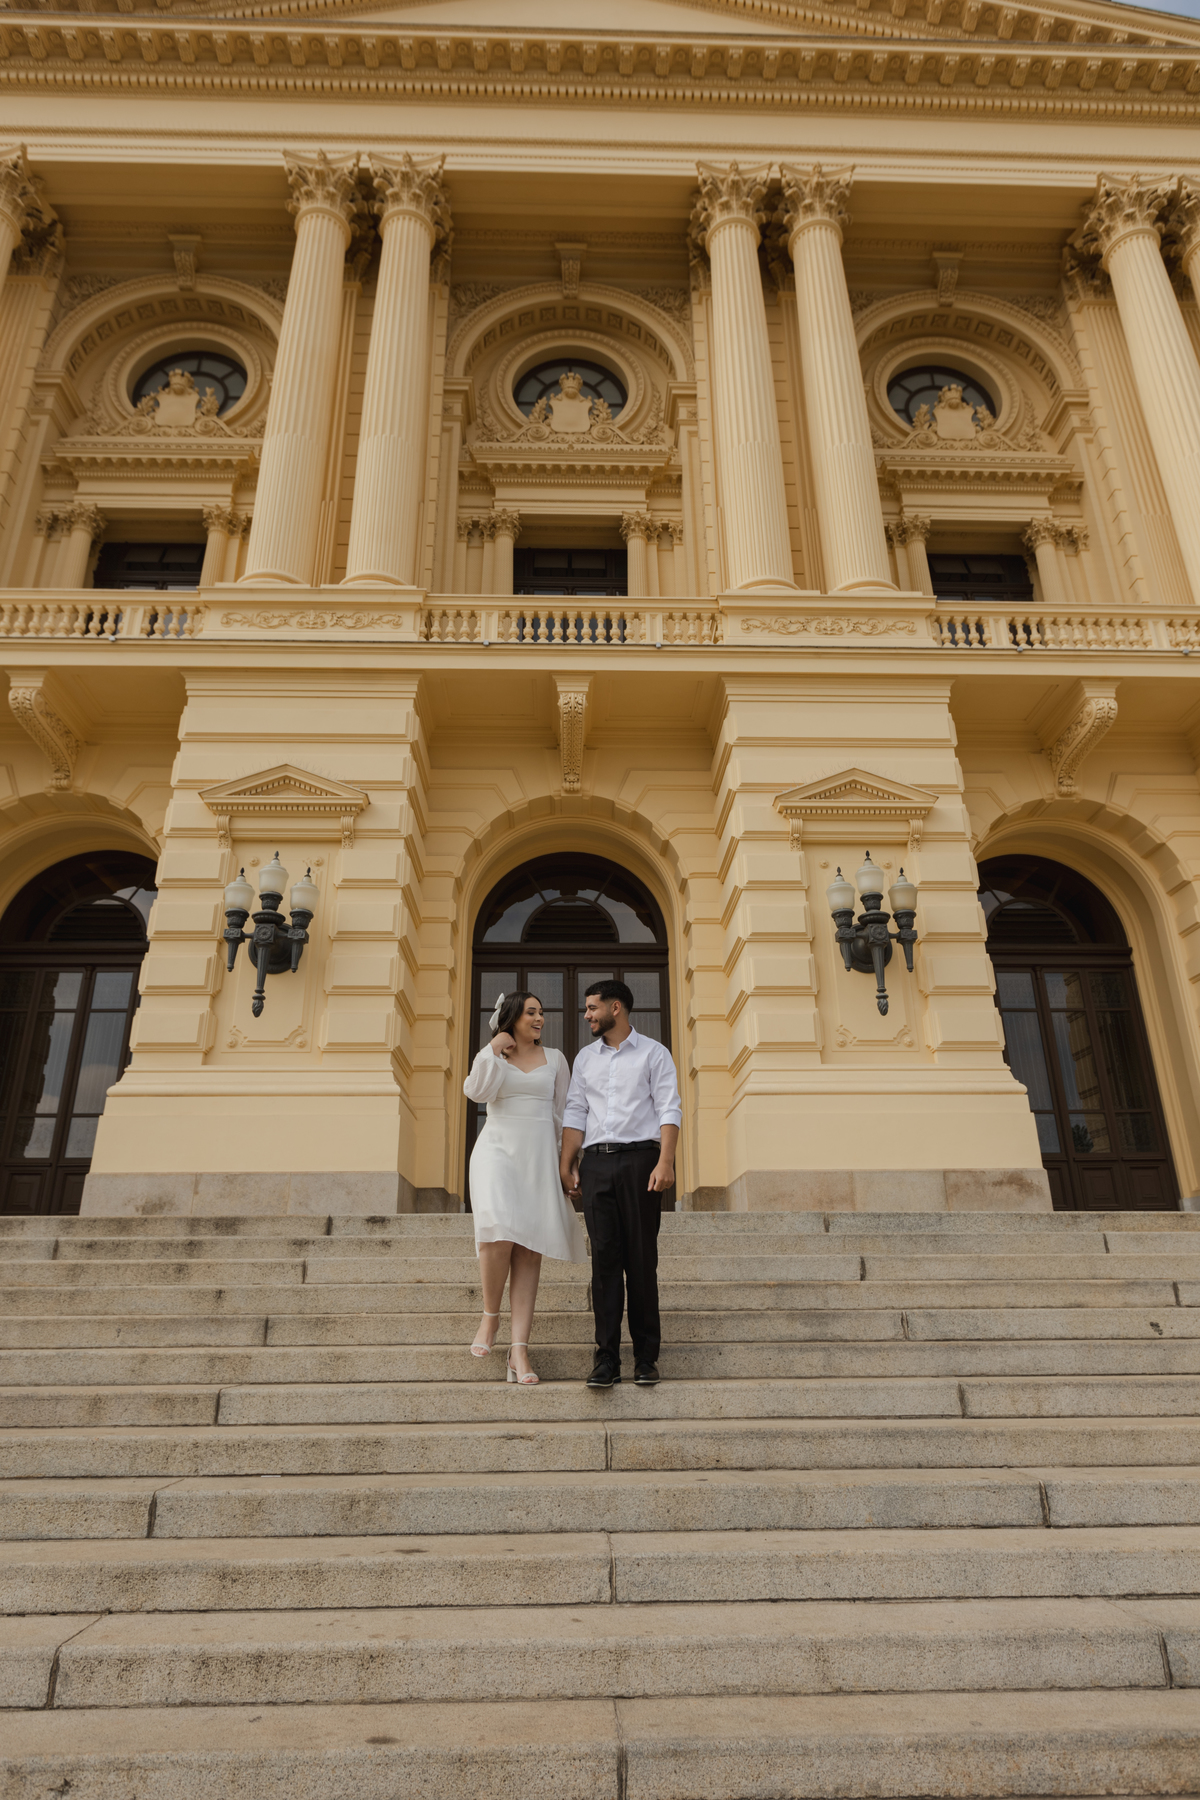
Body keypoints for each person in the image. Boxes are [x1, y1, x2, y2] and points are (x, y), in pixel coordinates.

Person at [560, 979, 682, 1389]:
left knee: (641, 1260)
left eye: (592, 1008)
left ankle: (646, 1357)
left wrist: (666, 1161)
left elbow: (669, 1108)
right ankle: (607, 1358)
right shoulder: (585, 1059)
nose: (587, 1015)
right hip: (596, 1164)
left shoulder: (653, 1053)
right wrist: (567, 1164)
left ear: (616, 1008)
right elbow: (575, 1112)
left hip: (641, 1162)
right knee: (605, 1262)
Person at [463, 990, 587, 1384]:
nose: (539, 1018)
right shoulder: (495, 1056)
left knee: (530, 1251)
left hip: (538, 1157)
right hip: (496, 1152)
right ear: (512, 1017)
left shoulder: (556, 1059)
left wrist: (567, 1164)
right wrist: (491, 1049)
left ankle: (519, 1351)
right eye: (531, 1012)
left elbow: (564, 1114)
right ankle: (490, 1318)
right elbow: (476, 1092)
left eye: (541, 1012)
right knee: (496, 1234)